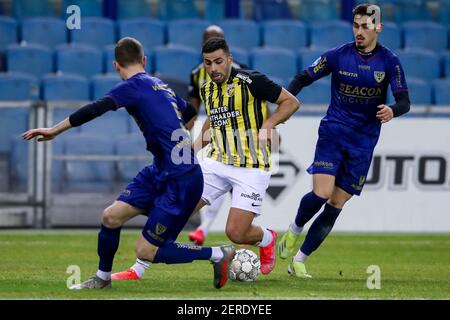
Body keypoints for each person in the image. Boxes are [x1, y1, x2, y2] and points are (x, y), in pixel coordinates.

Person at [22, 37, 236, 290]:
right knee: (111, 217)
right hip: (160, 171)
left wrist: (54, 130)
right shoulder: (160, 86)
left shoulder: (132, 86)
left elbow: (95, 108)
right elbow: (189, 113)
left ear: (116, 65)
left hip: (181, 179)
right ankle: (102, 278)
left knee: (147, 251)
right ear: (144, 61)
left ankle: (217, 254)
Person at [113, 37, 300, 280]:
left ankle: (267, 238)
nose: (213, 69)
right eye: (208, 63)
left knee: (236, 233)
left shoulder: (252, 81)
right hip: (216, 163)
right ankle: (138, 269)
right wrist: (190, 151)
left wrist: (269, 124)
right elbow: (213, 122)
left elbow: (291, 102)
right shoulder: (207, 88)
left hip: (251, 167)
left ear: (229, 60)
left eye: (218, 62)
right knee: (176, 210)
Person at [277, 3, 411, 278]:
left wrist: (392, 110)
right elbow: (302, 77)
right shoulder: (338, 56)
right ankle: (294, 229)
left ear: (378, 28)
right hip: (334, 132)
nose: (359, 32)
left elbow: (404, 101)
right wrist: (285, 104)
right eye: (356, 26)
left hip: (364, 142)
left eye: (365, 26)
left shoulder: (389, 61)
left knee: (336, 203)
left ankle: (300, 260)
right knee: (321, 193)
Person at [187, 25, 247, 246]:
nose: (213, 40)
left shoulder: (242, 71)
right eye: (208, 38)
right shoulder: (197, 75)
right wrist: (188, 136)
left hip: (243, 141)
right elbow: (194, 111)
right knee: (211, 185)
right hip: (217, 138)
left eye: (217, 38)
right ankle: (203, 228)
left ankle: (243, 238)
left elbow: (259, 102)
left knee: (236, 192)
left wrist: (268, 129)